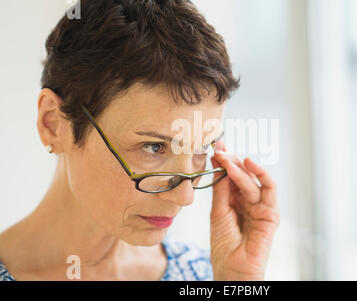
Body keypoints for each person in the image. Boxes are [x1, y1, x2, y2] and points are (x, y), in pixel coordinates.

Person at [0, 0, 279, 281]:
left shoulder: (207, 274)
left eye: (201, 149)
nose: (186, 196)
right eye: (153, 147)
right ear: (54, 124)